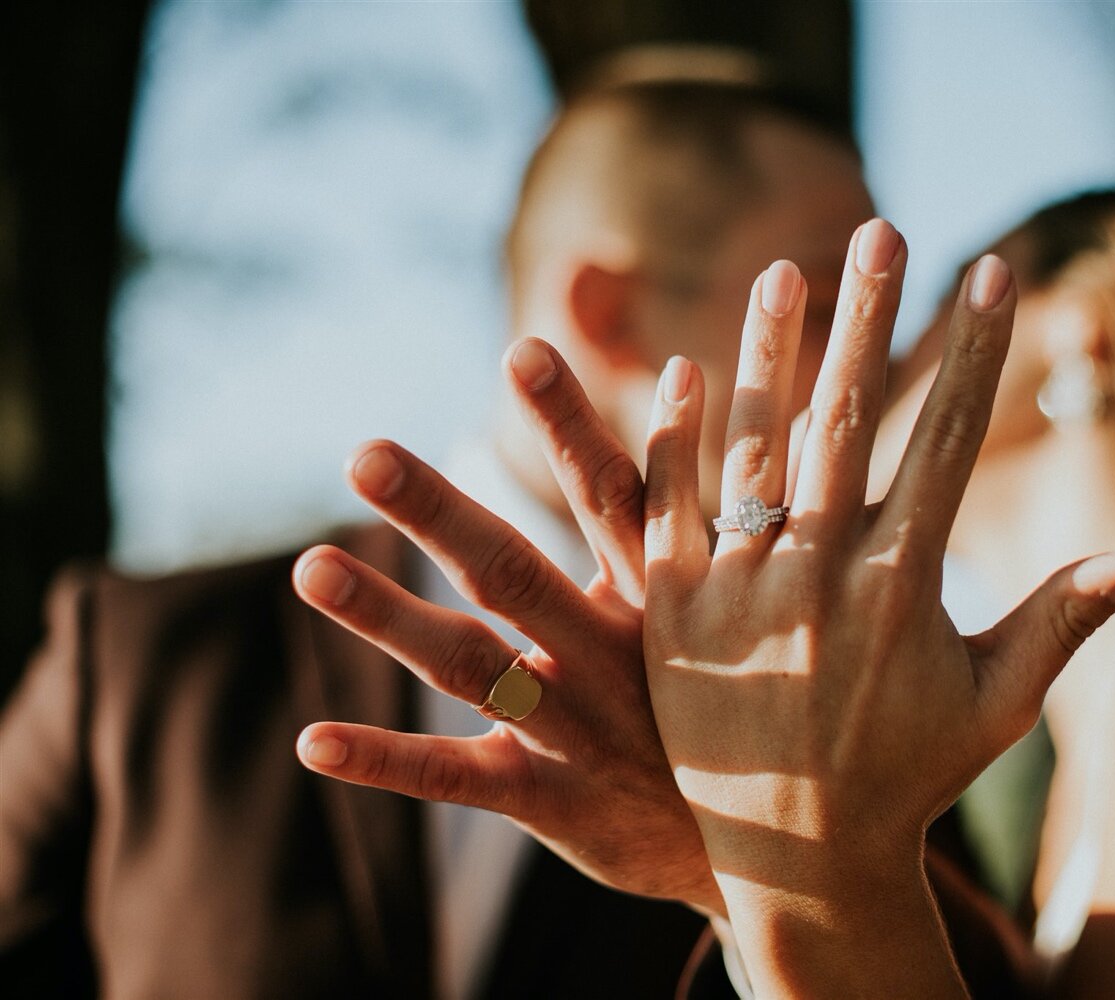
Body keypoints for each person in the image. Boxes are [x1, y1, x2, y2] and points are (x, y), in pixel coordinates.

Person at [319, 191, 1115, 998]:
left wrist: (802, 855)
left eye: (930, 306)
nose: (887, 361)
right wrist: (737, 852)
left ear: (1090, 320)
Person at [0, 80, 874, 999]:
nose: (872, 369)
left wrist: (752, 878)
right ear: (606, 313)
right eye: (823, 308)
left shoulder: (850, 708)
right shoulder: (146, 653)